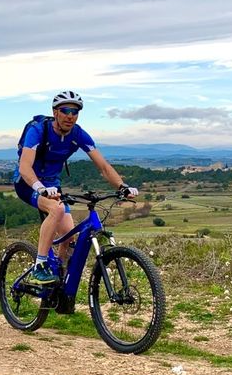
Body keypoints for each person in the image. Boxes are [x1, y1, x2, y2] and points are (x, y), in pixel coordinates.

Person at [13, 90, 139, 285]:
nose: (70, 116)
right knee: (57, 208)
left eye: (75, 112)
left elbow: (103, 167)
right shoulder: (38, 130)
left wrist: (122, 186)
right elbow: (24, 167)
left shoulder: (78, 134)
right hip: (27, 183)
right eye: (65, 110)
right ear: (55, 112)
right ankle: (40, 266)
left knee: (69, 237)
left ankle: (60, 281)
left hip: (52, 185)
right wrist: (39, 187)